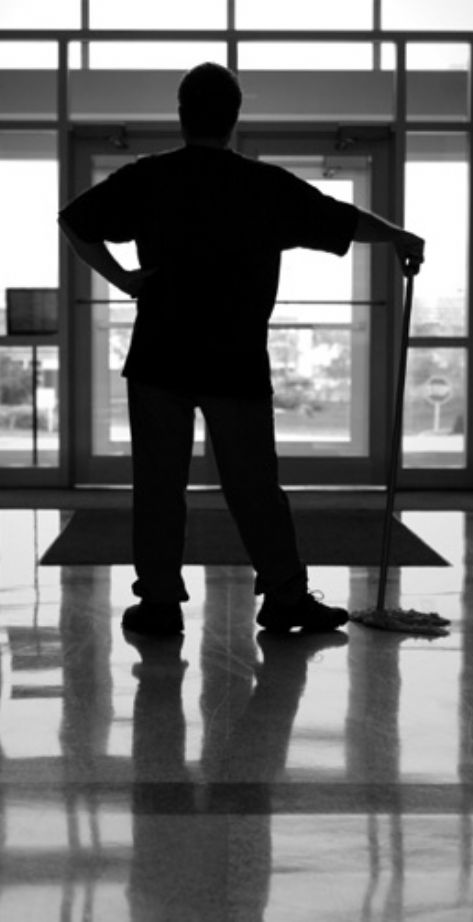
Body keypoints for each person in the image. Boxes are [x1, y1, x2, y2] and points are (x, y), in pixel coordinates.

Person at [58, 62, 424, 638]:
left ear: (182, 115)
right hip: (235, 358)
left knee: (158, 486)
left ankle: (159, 602)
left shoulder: (149, 178)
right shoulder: (263, 186)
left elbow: (75, 222)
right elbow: (343, 220)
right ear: (234, 118)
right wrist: (399, 236)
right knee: (254, 487)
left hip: (160, 355)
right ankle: (285, 596)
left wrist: (123, 279)